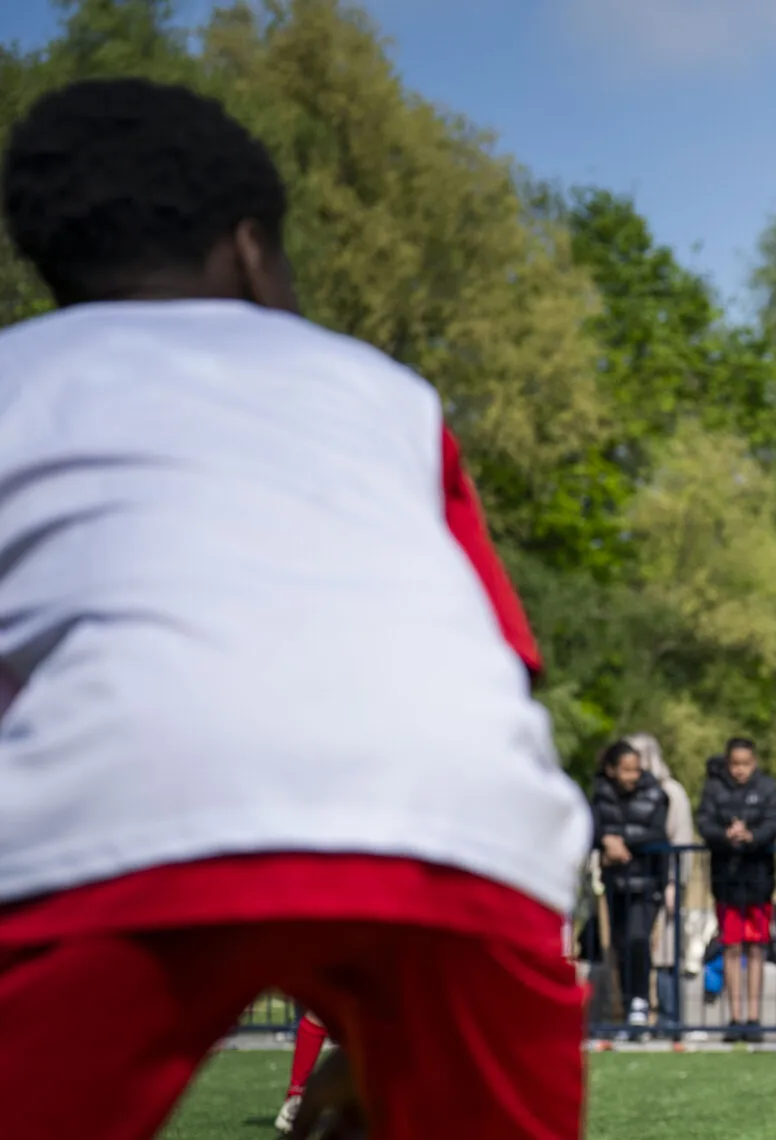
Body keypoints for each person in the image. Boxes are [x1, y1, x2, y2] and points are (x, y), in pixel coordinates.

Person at [0, 78, 590, 1139]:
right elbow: (504, 655)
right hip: (462, 818)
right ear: (250, 250)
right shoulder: (385, 394)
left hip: (128, 803)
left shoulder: (19, 378)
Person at [699, 737, 776, 1039]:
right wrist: (726, 836)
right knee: (731, 947)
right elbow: (704, 823)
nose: (740, 770)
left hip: (759, 881)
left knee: (757, 948)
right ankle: (735, 1018)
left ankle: (754, 1017)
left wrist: (751, 836)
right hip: (726, 881)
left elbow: (774, 823)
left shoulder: (768, 788)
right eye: (735, 764)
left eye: (746, 764)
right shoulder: (714, 788)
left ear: (754, 763)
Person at [630, 732, 710, 1035]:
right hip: (636, 884)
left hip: (665, 882)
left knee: (666, 950)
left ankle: (669, 1017)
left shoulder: (671, 792)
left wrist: (675, 882)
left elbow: (681, 840)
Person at [593, 740, 673, 1033]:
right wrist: (605, 840)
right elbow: (590, 827)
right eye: (626, 770)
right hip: (616, 883)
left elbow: (658, 833)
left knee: (639, 938)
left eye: (636, 770)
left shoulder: (656, 794)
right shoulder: (600, 795)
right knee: (621, 944)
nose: (633, 776)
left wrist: (621, 843)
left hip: (647, 881)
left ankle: (640, 1000)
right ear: (611, 770)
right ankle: (627, 1005)